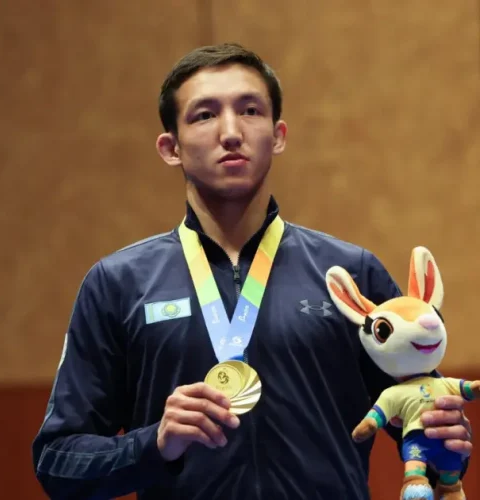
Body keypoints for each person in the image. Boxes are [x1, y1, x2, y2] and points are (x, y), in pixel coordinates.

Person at [32, 43, 473, 500]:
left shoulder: (352, 274)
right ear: (170, 148)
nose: (231, 132)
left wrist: (447, 441)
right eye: (204, 115)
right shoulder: (118, 284)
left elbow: (426, 424)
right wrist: (155, 443)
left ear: (278, 135)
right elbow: (58, 461)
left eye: (250, 110)